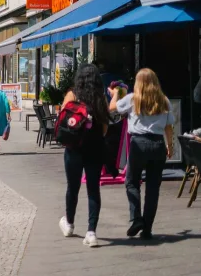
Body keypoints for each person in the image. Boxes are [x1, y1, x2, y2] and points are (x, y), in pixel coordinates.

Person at [110, 68, 175, 240]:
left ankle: (136, 217)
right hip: (157, 144)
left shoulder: (132, 99)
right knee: (153, 188)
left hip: (138, 143)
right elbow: (169, 127)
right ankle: (147, 228)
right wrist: (170, 146)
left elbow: (112, 109)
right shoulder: (164, 101)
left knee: (131, 181)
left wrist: (115, 94)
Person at [58, 64, 110, 248]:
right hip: (95, 148)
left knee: (72, 187)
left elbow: (63, 121)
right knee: (93, 189)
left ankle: (70, 223)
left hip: (74, 149)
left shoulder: (72, 95)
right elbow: (104, 128)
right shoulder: (100, 98)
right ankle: (91, 232)